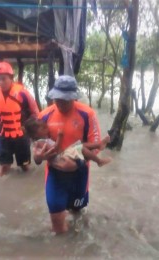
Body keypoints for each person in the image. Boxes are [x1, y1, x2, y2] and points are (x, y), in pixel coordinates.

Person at [33, 75, 103, 234]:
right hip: (54, 175)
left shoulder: (87, 114)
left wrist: (77, 163)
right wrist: (38, 157)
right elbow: (36, 153)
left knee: (77, 215)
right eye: (57, 99)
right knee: (57, 226)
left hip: (79, 174)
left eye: (65, 99)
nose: (60, 103)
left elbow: (96, 145)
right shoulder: (44, 116)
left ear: (74, 97)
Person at [0, 61, 39, 176]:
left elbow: (35, 113)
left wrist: (28, 128)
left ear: (11, 78)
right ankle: (0, 188)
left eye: (3, 79)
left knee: (25, 167)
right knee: (4, 167)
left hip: (21, 136)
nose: (0, 82)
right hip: (3, 137)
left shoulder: (23, 93)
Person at [24, 117, 111, 167]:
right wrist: (60, 137)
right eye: (43, 128)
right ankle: (99, 161)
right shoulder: (41, 142)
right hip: (61, 158)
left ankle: (99, 145)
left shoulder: (44, 139)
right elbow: (55, 149)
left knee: (80, 144)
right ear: (35, 135)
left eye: (45, 126)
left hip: (63, 154)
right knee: (82, 148)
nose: (46, 128)